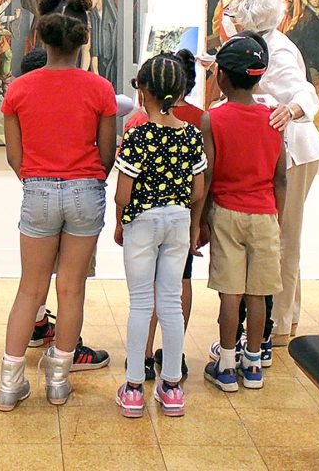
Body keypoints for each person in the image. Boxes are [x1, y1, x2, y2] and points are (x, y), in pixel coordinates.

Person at [0, 0, 117, 411]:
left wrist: (37, 179)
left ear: (42, 38)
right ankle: (60, 381)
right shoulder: (100, 89)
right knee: (72, 289)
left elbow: (15, 155)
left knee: (30, 290)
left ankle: (10, 384)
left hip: (38, 189)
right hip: (86, 189)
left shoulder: (18, 90)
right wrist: (85, 178)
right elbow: (107, 153)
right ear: (82, 39)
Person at [223, 0, 319, 350]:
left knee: (284, 237)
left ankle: (279, 324)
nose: (230, 16)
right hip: (278, 151)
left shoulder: (278, 48)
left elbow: (304, 93)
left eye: (234, 11)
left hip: (295, 151)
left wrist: (292, 110)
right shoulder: (258, 41)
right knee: (279, 236)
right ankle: (286, 315)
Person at [113, 55, 207, 418]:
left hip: (143, 221)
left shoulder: (137, 134)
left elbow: (123, 194)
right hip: (179, 221)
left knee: (141, 304)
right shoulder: (191, 134)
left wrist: (122, 219)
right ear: (181, 90)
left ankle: (134, 387)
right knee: (170, 303)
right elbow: (198, 190)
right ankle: (171, 388)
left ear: (143, 91)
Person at [201, 33, 287, 392]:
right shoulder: (274, 119)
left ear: (220, 75)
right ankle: (253, 364)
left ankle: (225, 363)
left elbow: (207, 175)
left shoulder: (211, 119)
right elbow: (281, 177)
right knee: (259, 292)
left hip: (225, 212)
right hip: (264, 213)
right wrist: (276, 217)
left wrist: (200, 220)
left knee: (230, 293)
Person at [71, 0, 118, 83]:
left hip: (94, 14)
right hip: (82, 13)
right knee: (85, 45)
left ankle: (93, 76)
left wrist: (88, 8)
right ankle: (84, 74)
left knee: (93, 47)